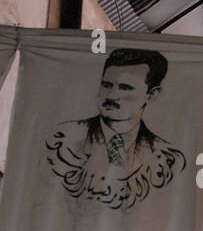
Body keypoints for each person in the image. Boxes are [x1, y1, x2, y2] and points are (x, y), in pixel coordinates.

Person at [47, 47, 185, 209]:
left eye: (125, 88)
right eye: (106, 85)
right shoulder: (62, 140)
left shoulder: (165, 157)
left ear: (151, 95)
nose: (111, 95)